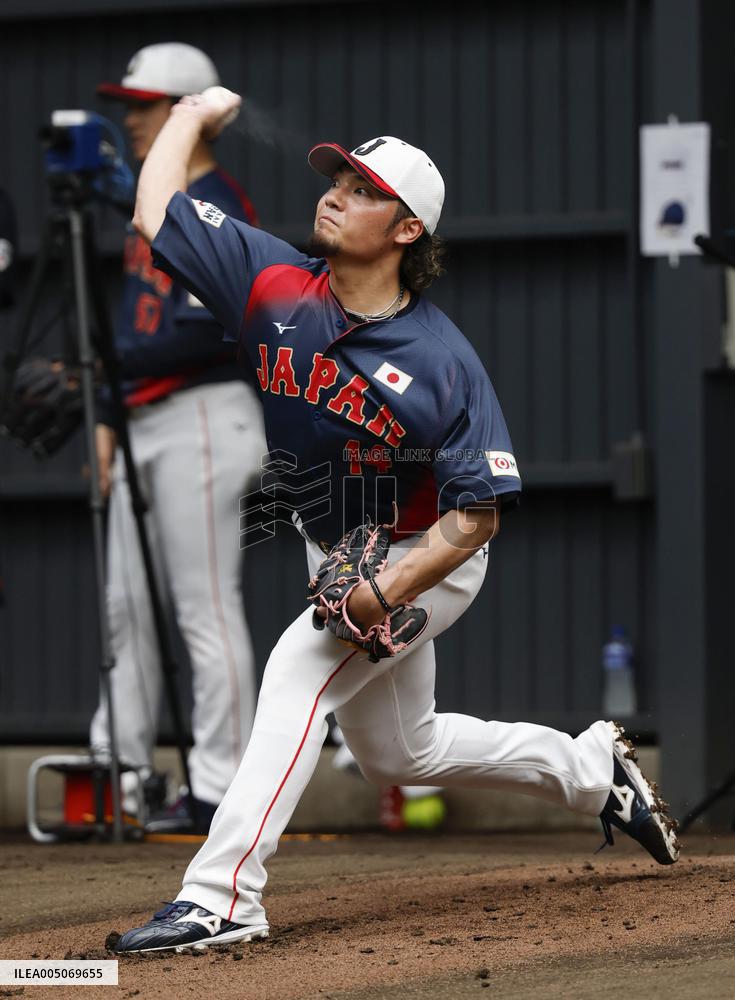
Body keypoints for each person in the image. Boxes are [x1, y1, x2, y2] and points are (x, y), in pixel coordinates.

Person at [114, 90, 680, 953]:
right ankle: (588, 770)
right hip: (338, 546)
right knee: (399, 757)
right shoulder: (270, 281)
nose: (336, 192)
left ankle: (223, 895)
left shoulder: (441, 360)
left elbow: (476, 515)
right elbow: (156, 210)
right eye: (337, 177)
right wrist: (189, 114)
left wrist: (384, 594)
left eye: (364, 188)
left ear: (407, 230)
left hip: (428, 554)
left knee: (295, 677)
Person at [88, 46, 266, 832]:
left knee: (204, 608)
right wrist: (101, 406)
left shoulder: (216, 199)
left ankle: (220, 787)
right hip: (143, 418)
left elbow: (211, 334)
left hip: (204, 411)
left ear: (187, 110)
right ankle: (117, 781)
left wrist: (98, 369)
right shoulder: (153, 200)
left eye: (144, 104)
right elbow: (138, 325)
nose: (130, 118)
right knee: (124, 608)